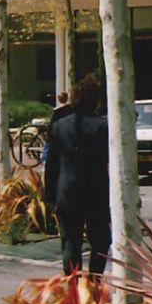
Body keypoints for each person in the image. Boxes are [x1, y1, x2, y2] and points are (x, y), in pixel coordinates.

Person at [44, 75, 111, 275]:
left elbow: (52, 164)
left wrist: (49, 196)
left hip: (67, 192)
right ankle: (94, 282)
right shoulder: (103, 127)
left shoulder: (59, 126)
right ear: (95, 100)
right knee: (101, 240)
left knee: (71, 243)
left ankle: (72, 289)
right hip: (95, 192)